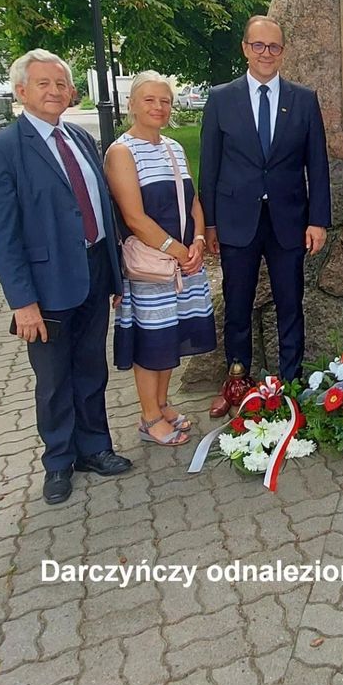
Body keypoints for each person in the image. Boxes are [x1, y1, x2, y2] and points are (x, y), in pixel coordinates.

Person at [0, 50, 130, 505]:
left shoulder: (80, 138)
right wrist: (22, 301)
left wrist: (116, 277)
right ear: (21, 91)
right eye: (43, 84)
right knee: (53, 379)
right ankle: (59, 461)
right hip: (46, 289)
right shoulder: (2, 149)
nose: (54, 91)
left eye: (61, 84)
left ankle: (94, 447)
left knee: (91, 369)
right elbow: (1, 234)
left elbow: (102, 208)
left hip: (93, 272)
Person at [200, 15, 330, 408]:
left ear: (283, 51)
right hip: (237, 222)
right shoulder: (221, 98)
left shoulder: (303, 100)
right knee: (237, 305)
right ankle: (237, 381)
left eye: (273, 46)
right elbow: (210, 165)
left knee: (290, 305)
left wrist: (318, 220)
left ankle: (289, 384)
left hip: (288, 221)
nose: (266, 53)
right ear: (245, 48)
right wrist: (209, 224)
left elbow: (318, 165)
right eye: (258, 45)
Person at [104, 72, 216, 447]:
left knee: (171, 334)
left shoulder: (173, 147)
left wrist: (198, 240)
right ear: (132, 104)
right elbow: (134, 216)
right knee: (152, 339)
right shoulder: (122, 152)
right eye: (149, 100)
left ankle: (163, 403)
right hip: (153, 266)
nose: (158, 107)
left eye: (165, 101)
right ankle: (149, 416)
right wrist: (179, 250)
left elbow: (193, 199)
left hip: (184, 262)